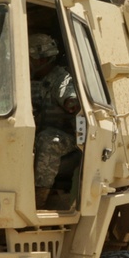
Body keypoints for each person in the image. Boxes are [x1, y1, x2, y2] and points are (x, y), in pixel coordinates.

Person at [29, 33, 80, 208]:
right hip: (31, 134)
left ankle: (38, 198)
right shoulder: (24, 80)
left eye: (29, 58)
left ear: (41, 60)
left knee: (48, 140)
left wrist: (70, 101)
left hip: (66, 137)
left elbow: (70, 99)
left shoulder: (61, 79)